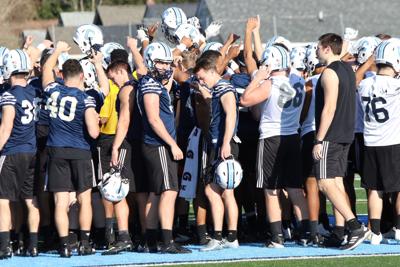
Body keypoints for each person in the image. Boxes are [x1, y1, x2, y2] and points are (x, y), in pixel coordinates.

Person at [241, 44, 310, 248]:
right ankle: (306, 233)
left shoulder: (270, 84)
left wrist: (257, 78)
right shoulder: (298, 80)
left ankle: (276, 236)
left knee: (271, 190)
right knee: (295, 189)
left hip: (272, 137)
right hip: (292, 136)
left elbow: (245, 100)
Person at [42, 41, 100, 257]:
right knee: (85, 198)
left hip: (56, 150)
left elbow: (46, 70)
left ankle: (65, 245)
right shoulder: (85, 99)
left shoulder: (53, 90)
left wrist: (57, 50)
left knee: (60, 201)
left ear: (62, 74)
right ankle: (85, 243)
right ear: (82, 76)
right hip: (80, 151)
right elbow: (94, 133)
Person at [312, 33, 369, 250]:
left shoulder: (329, 73)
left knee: (325, 183)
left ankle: (355, 226)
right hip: (345, 134)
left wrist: (319, 139)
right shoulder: (346, 68)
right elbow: (343, 47)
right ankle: (339, 231)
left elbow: (329, 109)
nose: (316, 50)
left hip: (331, 135)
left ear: (327, 48)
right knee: (335, 182)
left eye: (318, 47)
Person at [137, 42, 191, 254]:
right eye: (160, 62)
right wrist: (172, 143)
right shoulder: (149, 84)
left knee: (157, 194)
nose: (165, 67)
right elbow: (153, 119)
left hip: (157, 144)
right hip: (158, 144)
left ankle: (151, 240)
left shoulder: (155, 83)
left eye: (167, 63)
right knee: (169, 191)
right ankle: (167, 241)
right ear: (150, 62)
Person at [194, 50, 240, 251]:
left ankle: (222, 236)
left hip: (223, 145)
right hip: (220, 143)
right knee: (224, 192)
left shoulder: (224, 88)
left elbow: (230, 115)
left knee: (215, 190)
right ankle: (229, 237)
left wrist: (226, 142)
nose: (200, 79)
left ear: (208, 70)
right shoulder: (218, 88)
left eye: (201, 75)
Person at [358, 39, 400, 245]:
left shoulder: (365, 84)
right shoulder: (396, 85)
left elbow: (355, 79)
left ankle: (375, 232)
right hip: (393, 142)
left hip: (371, 142)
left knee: (375, 189)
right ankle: (399, 228)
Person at [0, 49, 40, 258]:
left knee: (3, 200)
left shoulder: (9, 95)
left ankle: (5, 246)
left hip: (13, 151)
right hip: (31, 151)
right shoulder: (33, 92)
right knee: (30, 199)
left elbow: (6, 127)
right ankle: (32, 246)